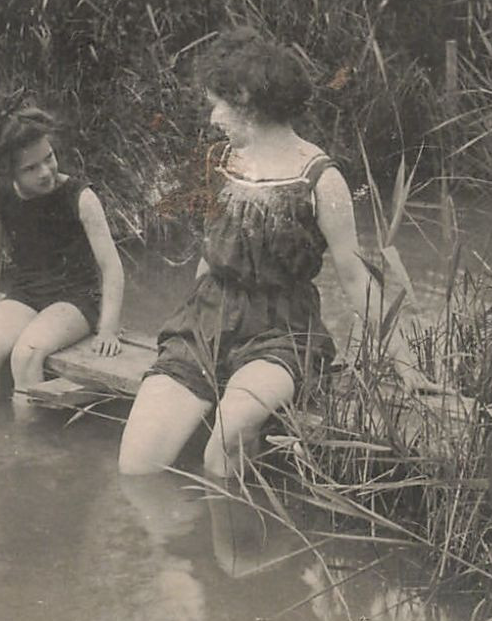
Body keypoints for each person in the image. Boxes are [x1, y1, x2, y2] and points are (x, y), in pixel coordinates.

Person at [118, 28, 431, 477]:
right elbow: (210, 256)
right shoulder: (219, 161)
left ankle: (225, 542)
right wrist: (191, 327)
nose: (213, 119)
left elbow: (354, 276)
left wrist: (402, 359)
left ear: (245, 99)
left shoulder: (322, 179)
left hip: (281, 333)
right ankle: (176, 542)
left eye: (217, 105)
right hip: (206, 323)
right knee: (137, 466)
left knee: (227, 435)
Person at [0, 106, 125, 404]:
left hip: (76, 299)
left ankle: (28, 444)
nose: (45, 171)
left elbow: (111, 267)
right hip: (27, 292)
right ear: (9, 171)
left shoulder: (81, 197)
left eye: (48, 158)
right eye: (30, 168)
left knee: (26, 355)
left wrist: (108, 329)